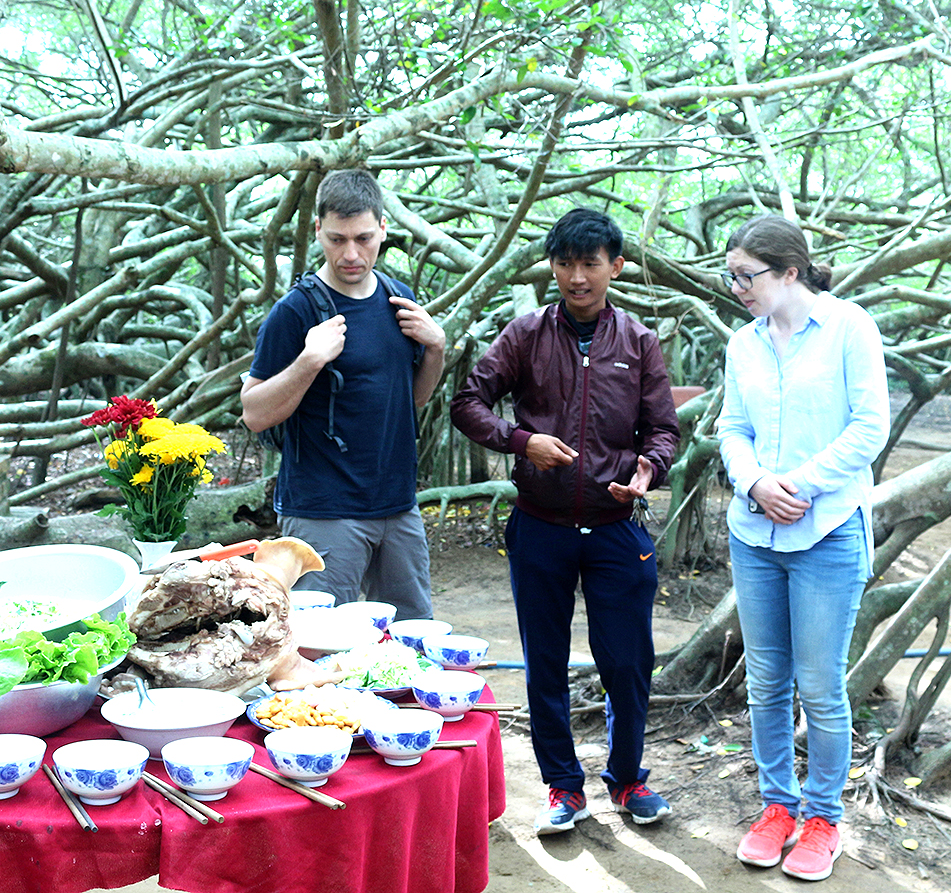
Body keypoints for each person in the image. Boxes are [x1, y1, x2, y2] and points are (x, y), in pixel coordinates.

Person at [451, 208, 680, 835]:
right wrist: (523, 441)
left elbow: (664, 429)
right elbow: (468, 402)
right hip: (540, 527)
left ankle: (629, 782)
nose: (577, 277)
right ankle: (563, 788)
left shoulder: (639, 342)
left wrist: (647, 471)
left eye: (590, 264)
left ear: (616, 267)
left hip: (615, 528)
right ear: (551, 266)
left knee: (628, 661)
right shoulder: (525, 334)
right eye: (566, 264)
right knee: (544, 660)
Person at [717, 215, 889, 881]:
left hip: (825, 532)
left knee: (819, 684)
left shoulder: (849, 327)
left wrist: (799, 485)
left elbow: (868, 425)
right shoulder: (743, 344)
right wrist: (755, 481)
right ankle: (775, 805)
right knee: (764, 682)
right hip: (754, 532)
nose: (736, 287)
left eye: (747, 275)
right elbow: (732, 426)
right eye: (730, 275)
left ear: (789, 271)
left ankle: (822, 817)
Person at [241, 169, 445, 621]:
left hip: (398, 506)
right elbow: (254, 412)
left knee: (414, 638)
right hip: (324, 511)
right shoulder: (294, 313)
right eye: (336, 239)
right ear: (318, 231)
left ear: (384, 229)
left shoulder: (399, 300)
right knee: (319, 643)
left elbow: (409, 403)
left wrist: (436, 349)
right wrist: (309, 361)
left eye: (363, 238)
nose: (351, 253)